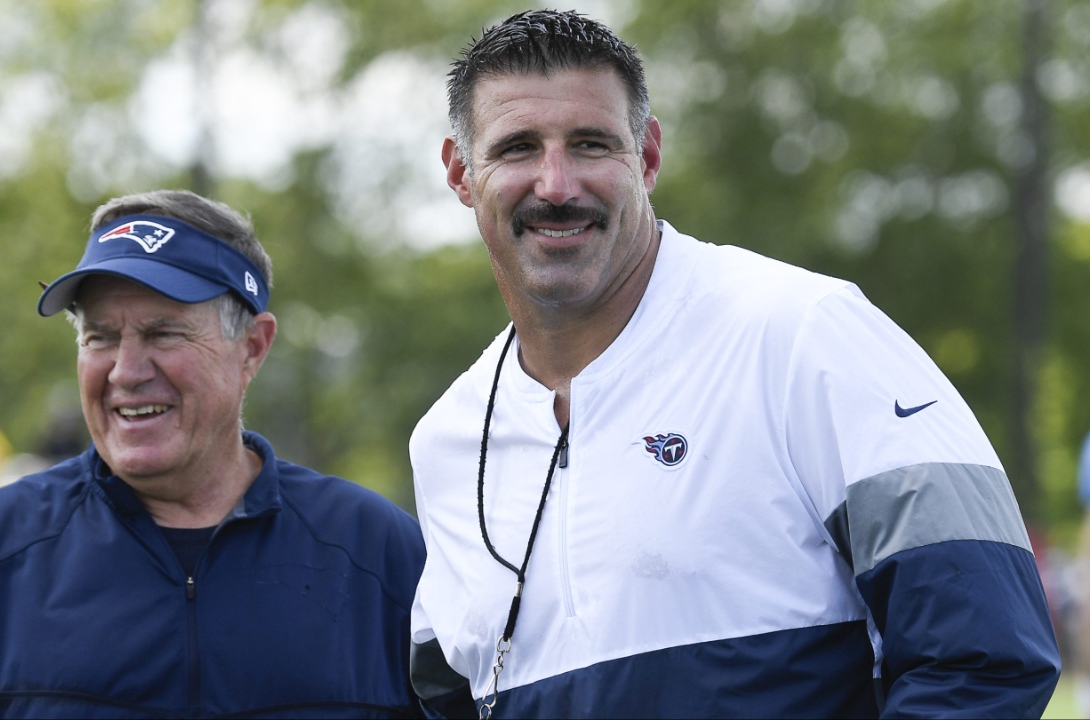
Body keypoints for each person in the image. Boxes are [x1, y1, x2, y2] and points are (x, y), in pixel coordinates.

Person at [407, 10, 1060, 718]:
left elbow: (988, 660)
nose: (557, 184)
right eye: (518, 148)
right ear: (460, 173)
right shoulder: (447, 442)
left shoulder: (804, 335)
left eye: (591, 144)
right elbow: (447, 703)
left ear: (648, 157)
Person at [0, 189, 425, 718]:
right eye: (100, 338)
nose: (126, 372)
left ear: (252, 348)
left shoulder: (378, 555)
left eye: (164, 334)